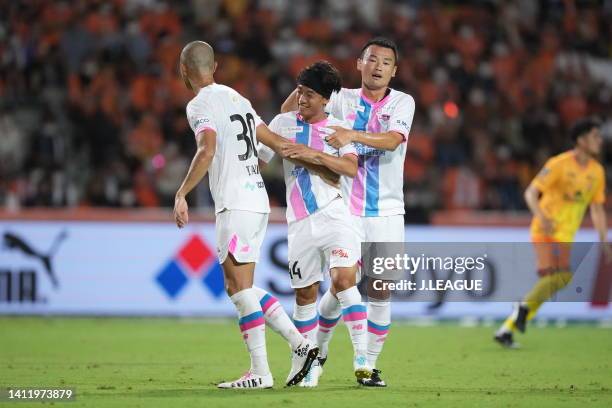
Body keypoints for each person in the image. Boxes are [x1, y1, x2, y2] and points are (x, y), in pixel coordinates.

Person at [174, 40, 333, 389]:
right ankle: (278, 360)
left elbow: (207, 148)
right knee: (241, 288)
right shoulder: (237, 98)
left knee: (237, 289)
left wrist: (182, 192)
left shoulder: (199, 104)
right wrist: (322, 162)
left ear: (184, 71)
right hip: (257, 200)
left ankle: (287, 354)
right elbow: (274, 142)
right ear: (214, 68)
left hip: (235, 202)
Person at [281, 37, 415, 387]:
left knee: (381, 289)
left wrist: (350, 134)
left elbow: (391, 140)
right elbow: (290, 112)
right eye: (371, 59)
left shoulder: (403, 102)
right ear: (359, 64)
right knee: (343, 284)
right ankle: (318, 357)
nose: (378, 66)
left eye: (386, 61)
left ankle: (367, 365)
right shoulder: (341, 98)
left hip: (387, 210)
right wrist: (310, 82)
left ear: (394, 70)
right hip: (344, 208)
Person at [259, 61, 370, 387]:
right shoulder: (282, 122)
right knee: (305, 295)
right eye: (300, 92)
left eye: (309, 94)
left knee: (343, 278)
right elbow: (261, 159)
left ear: (325, 100)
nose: (302, 99)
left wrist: (314, 155)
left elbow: (349, 169)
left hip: (336, 214)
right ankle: (306, 367)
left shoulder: (338, 129)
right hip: (299, 223)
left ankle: (361, 357)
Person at [495, 118, 610, 348]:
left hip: (565, 236)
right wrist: (542, 217)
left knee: (556, 281)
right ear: (581, 140)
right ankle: (521, 308)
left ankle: (507, 328)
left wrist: (603, 238)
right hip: (545, 230)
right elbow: (530, 193)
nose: (600, 140)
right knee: (556, 277)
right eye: (595, 136)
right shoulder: (559, 164)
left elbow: (596, 208)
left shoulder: (597, 172)